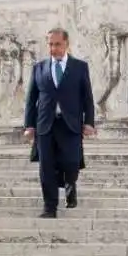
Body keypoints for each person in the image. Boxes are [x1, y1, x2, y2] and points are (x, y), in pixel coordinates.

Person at [24, 28, 96, 219]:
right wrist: (29, 125)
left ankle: (70, 184)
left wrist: (89, 121)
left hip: (70, 124)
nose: (53, 48)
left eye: (57, 44)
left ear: (66, 44)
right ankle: (50, 207)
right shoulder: (39, 68)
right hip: (45, 125)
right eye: (50, 44)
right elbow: (31, 99)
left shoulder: (80, 67)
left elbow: (87, 97)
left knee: (71, 163)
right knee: (46, 166)